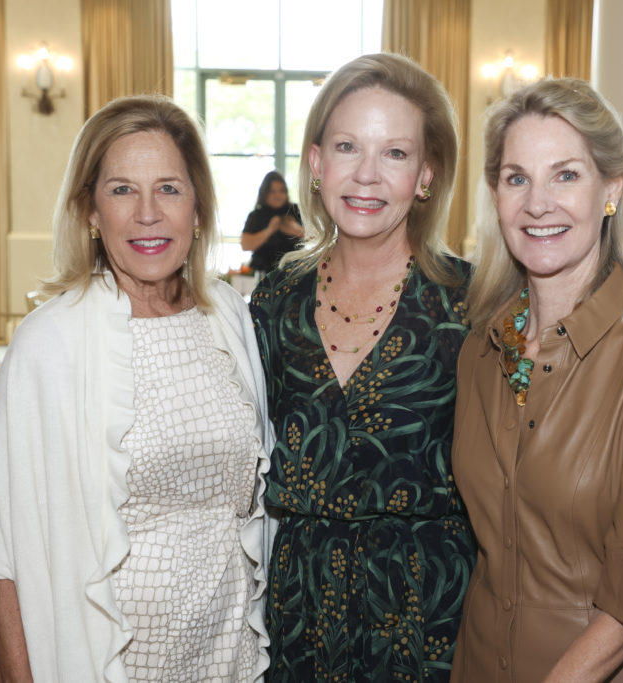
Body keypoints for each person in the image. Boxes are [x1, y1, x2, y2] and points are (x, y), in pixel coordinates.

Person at [0, 95, 272, 682]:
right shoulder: (49, 344)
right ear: (89, 210)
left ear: (199, 208)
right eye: (122, 190)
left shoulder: (231, 318)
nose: (148, 214)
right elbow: (4, 560)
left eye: (169, 188)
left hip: (228, 652)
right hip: (107, 662)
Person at [449, 78, 623, 682]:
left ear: (612, 189)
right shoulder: (480, 351)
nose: (537, 203)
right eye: (517, 178)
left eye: (566, 175)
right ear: (495, 194)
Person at [250, 53, 475, 681]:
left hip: (429, 613)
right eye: (348, 146)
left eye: (395, 154)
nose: (367, 175)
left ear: (426, 175)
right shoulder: (274, 299)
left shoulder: (472, 304)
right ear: (317, 164)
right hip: (298, 612)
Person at [240, 170, 304, 273]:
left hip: (294, 270)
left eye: (281, 191)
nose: (277, 195)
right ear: (264, 193)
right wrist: (269, 230)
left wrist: (296, 230)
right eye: (272, 191)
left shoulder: (295, 211)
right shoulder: (256, 215)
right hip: (263, 271)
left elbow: (315, 239)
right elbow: (245, 245)